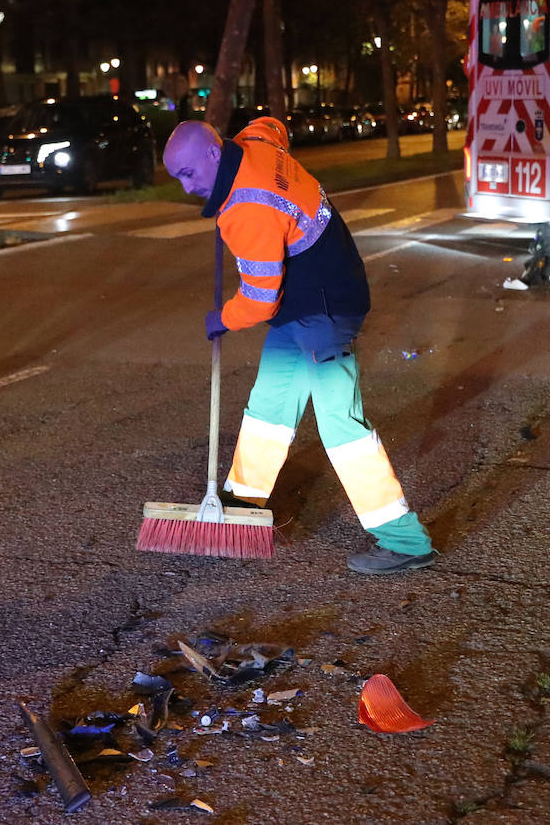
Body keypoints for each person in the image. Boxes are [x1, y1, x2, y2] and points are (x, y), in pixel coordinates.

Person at [162, 117, 435, 574]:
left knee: (341, 427)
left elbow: (260, 298)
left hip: (324, 309)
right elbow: (272, 125)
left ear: (213, 154)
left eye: (189, 173)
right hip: (304, 297)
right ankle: (240, 506)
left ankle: (404, 539)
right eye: (177, 178)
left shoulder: (245, 208)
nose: (186, 187)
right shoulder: (253, 143)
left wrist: (222, 319)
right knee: (269, 405)